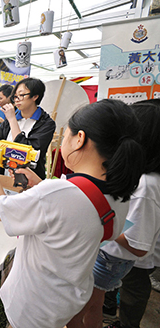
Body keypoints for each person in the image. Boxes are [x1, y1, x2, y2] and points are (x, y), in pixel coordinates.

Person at [0, 99, 144, 328]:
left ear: (80, 139)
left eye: (65, 135)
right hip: (72, 298)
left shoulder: (55, 193)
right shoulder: (119, 194)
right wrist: (43, 187)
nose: (63, 140)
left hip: (34, 307)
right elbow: (78, 214)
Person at [74, 99, 160, 328]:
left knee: (80, 309)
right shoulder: (140, 177)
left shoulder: (146, 185)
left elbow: (139, 245)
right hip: (111, 257)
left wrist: (103, 225)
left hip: (114, 259)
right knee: (95, 305)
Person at [0, 77, 56, 180]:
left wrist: (12, 120)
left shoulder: (46, 124)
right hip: (5, 177)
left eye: (22, 95)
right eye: (15, 96)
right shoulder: (10, 118)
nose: (17, 99)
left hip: (29, 182)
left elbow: (25, 153)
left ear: (35, 96)